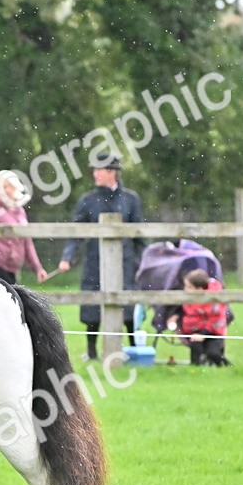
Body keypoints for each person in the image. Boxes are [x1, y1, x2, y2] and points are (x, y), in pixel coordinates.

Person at [57, 152, 145, 360]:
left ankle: (132, 350)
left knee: (127, 306)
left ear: (112, 172)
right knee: (92, 306)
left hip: (125, 262)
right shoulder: (88, 200)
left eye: (100, 170)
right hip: (95, 261)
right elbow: (76, 232)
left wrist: (143, 262)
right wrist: (67, 257)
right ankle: (91, 352)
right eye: (94, 169)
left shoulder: (130, 199)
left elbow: (139, 234)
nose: (95, 174)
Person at [0, 170, 48, 285]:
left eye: (11, 186)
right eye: (6, 186)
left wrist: (37, 268)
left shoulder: (19, 211)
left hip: (13, 270)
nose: (10, 190)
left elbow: (27, 242)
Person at [166, 269, 231, 366]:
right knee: (195, 348)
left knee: (213, 354)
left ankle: (227, 366)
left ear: (199, 290)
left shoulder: (214, 301)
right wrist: (175, 316)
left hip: (213, 334)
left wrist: (202, 334)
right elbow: (183, 309)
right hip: (194, 332)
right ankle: (196, 368)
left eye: (189, 287)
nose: (185, 289)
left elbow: (216, 320)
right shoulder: (189, 298)